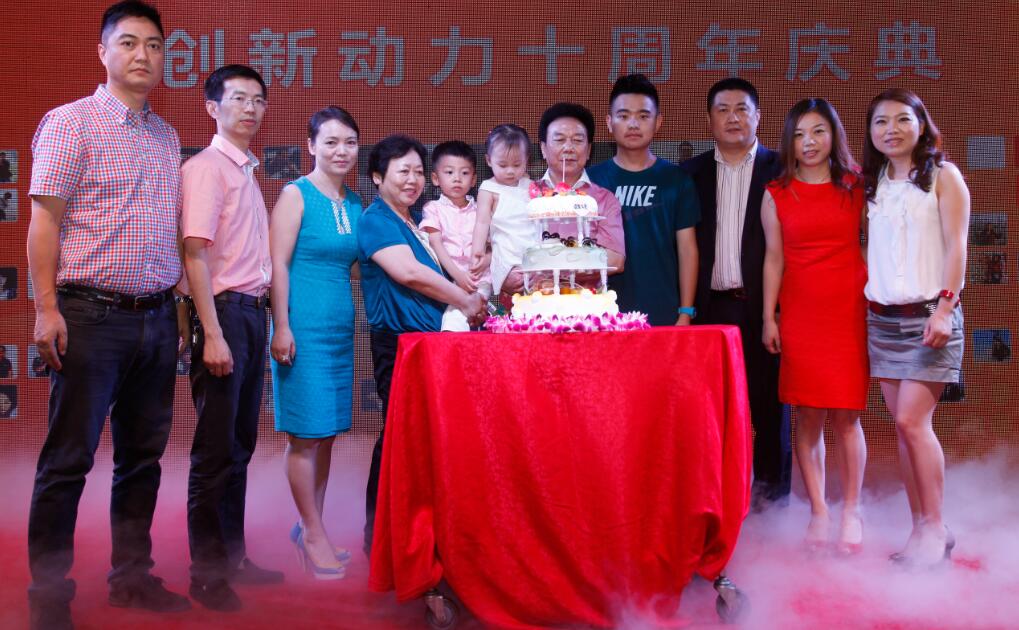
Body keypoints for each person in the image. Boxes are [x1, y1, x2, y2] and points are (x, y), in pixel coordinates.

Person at [26, 3, 191, 627]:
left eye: (154, 44)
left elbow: (169, 234)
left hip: (156, 318)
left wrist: (178, 307)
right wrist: (46, 309)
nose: (143, 55)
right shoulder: (71, 123)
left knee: (142, 459)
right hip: (89, 316)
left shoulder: (166, 136)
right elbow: (44, 222)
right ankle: (49, 599)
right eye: (128, 42)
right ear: (103, 52)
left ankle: (132, 578)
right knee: (68, 461)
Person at [178, 64, 282, 611]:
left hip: (250, 315)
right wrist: (212, 333)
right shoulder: (206, 169)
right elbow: (194, 253)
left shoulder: (245, 170)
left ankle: (233, 558)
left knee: (239, 446)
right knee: (214, 452)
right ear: (212, 107)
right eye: (238, 98)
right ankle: (205, 574)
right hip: (222, 315)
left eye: (258, 100)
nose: (250, 108)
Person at [358, 134, 487, 553]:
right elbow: (409, 273)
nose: (412, 179)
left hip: (429, 346)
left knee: (423, 442)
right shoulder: (376, 219)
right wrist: (464, 300)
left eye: (417, 171)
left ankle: (418, 535)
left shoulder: (416, 221)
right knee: (399, 438)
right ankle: (380, 536)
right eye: (403, 171)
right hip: (399, 344)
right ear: (378, 177)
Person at [862, 88, 969, 568]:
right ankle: (920, 528)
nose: (891, 129)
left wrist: (945, 308)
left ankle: (935, 528)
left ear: (921, 125)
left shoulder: (944, 177)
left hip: (931, 318)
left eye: (902, 119)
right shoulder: (873, 184)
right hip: (883, 321)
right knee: (904, 430)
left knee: (912, 422)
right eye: (881, 121)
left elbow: (957, 245)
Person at [761, 98, 869, 554]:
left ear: (834, 135)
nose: (809, 142)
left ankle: (852, 511)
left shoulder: (857, 186)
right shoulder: (776, 193)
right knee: (807, 417)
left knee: (846, 416)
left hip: (849, 310)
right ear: (789, 141)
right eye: (800, 134)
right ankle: (819, 512)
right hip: (801, 313)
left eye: (819, 131)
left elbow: (875, 244)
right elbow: (773, 259)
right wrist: (768, 316)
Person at [681, 77, 792, 508]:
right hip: (708, 310)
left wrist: (778, 311)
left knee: (770, 410)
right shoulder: (689, 175)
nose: (733, 117)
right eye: (723, 109)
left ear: (758, 116)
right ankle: (716, 504)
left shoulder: (782, 170)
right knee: (710, 414)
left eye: (742, 108)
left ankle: (772, 507)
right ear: (709, 119)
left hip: (764, 309)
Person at [269, 106, 363, 579]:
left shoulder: (355, 203)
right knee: (305, 435)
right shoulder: (295, 194)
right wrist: (281, 326)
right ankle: (311, 532)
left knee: (324, 435)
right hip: (301, 327)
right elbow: (278, 265)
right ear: (310, 146)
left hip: (339, 331)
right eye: (330, 142)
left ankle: (313, 527)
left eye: (349, 142)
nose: (341, 151)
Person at [588, 73, 700, 326]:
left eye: (643, 116)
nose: (633, 124)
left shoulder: (677, 180)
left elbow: (687, 249)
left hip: (664, 313)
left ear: (658, 122)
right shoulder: (591, 181)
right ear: (609, 122)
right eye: (623, 116)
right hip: (602, 316)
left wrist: (685, 311)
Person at [519, 102, 626, 294]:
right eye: (559, 140)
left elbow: (616, 259)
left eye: (577, 140)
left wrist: (554, 269)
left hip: (587, 304)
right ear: (543, 148)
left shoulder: (603, 200)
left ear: (589, 149)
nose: (568, 147)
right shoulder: (524, 194)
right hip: (532, 303)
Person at [422, 140, 490, 331]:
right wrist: (458, 276)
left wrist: (486, 260)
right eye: (449, 172)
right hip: (450, 279)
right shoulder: (433, 209)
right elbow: (436, 244)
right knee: (454, 319)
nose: (457, 179)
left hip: (481, 279)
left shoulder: (481, 210)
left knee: (469, 315)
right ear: (435, 178)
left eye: (465, 173)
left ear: (474, 179)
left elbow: (494, 244)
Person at [468, 125, 534, 307]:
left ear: (527, 160)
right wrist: (478, 251)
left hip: (532, 247)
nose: (510, 171)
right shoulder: (488, 189)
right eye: (503, 165)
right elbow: (482, 222)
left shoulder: (530, 185)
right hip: (506, 251)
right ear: (489, 160)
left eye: (517, 165)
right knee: (515, 301)